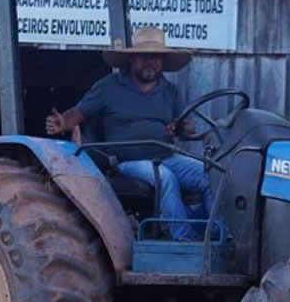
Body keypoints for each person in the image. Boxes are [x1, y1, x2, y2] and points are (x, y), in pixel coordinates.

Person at [45, 26, 213, 241]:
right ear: (132, 58)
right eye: (145, 56)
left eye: (156, 58)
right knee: (165, 178)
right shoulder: (109, 87)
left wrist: (179, 127)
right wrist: (63, 122)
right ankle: (185, 239)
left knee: (209, 174)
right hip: (128, 160)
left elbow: (188, 127)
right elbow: (79, 112)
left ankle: (213, 232)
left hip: (167, 155)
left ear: (162, 62)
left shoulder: (170, 91)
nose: (151, 62)